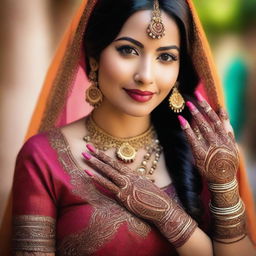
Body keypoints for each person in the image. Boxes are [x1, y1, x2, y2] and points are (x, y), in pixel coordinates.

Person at [11, 0, 256, 255]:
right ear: (94, 57)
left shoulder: (202, 155)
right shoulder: (43, 157)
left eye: (166, 57)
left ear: (179, 69)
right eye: (128, 50)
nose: (146, 75)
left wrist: (178, 212)